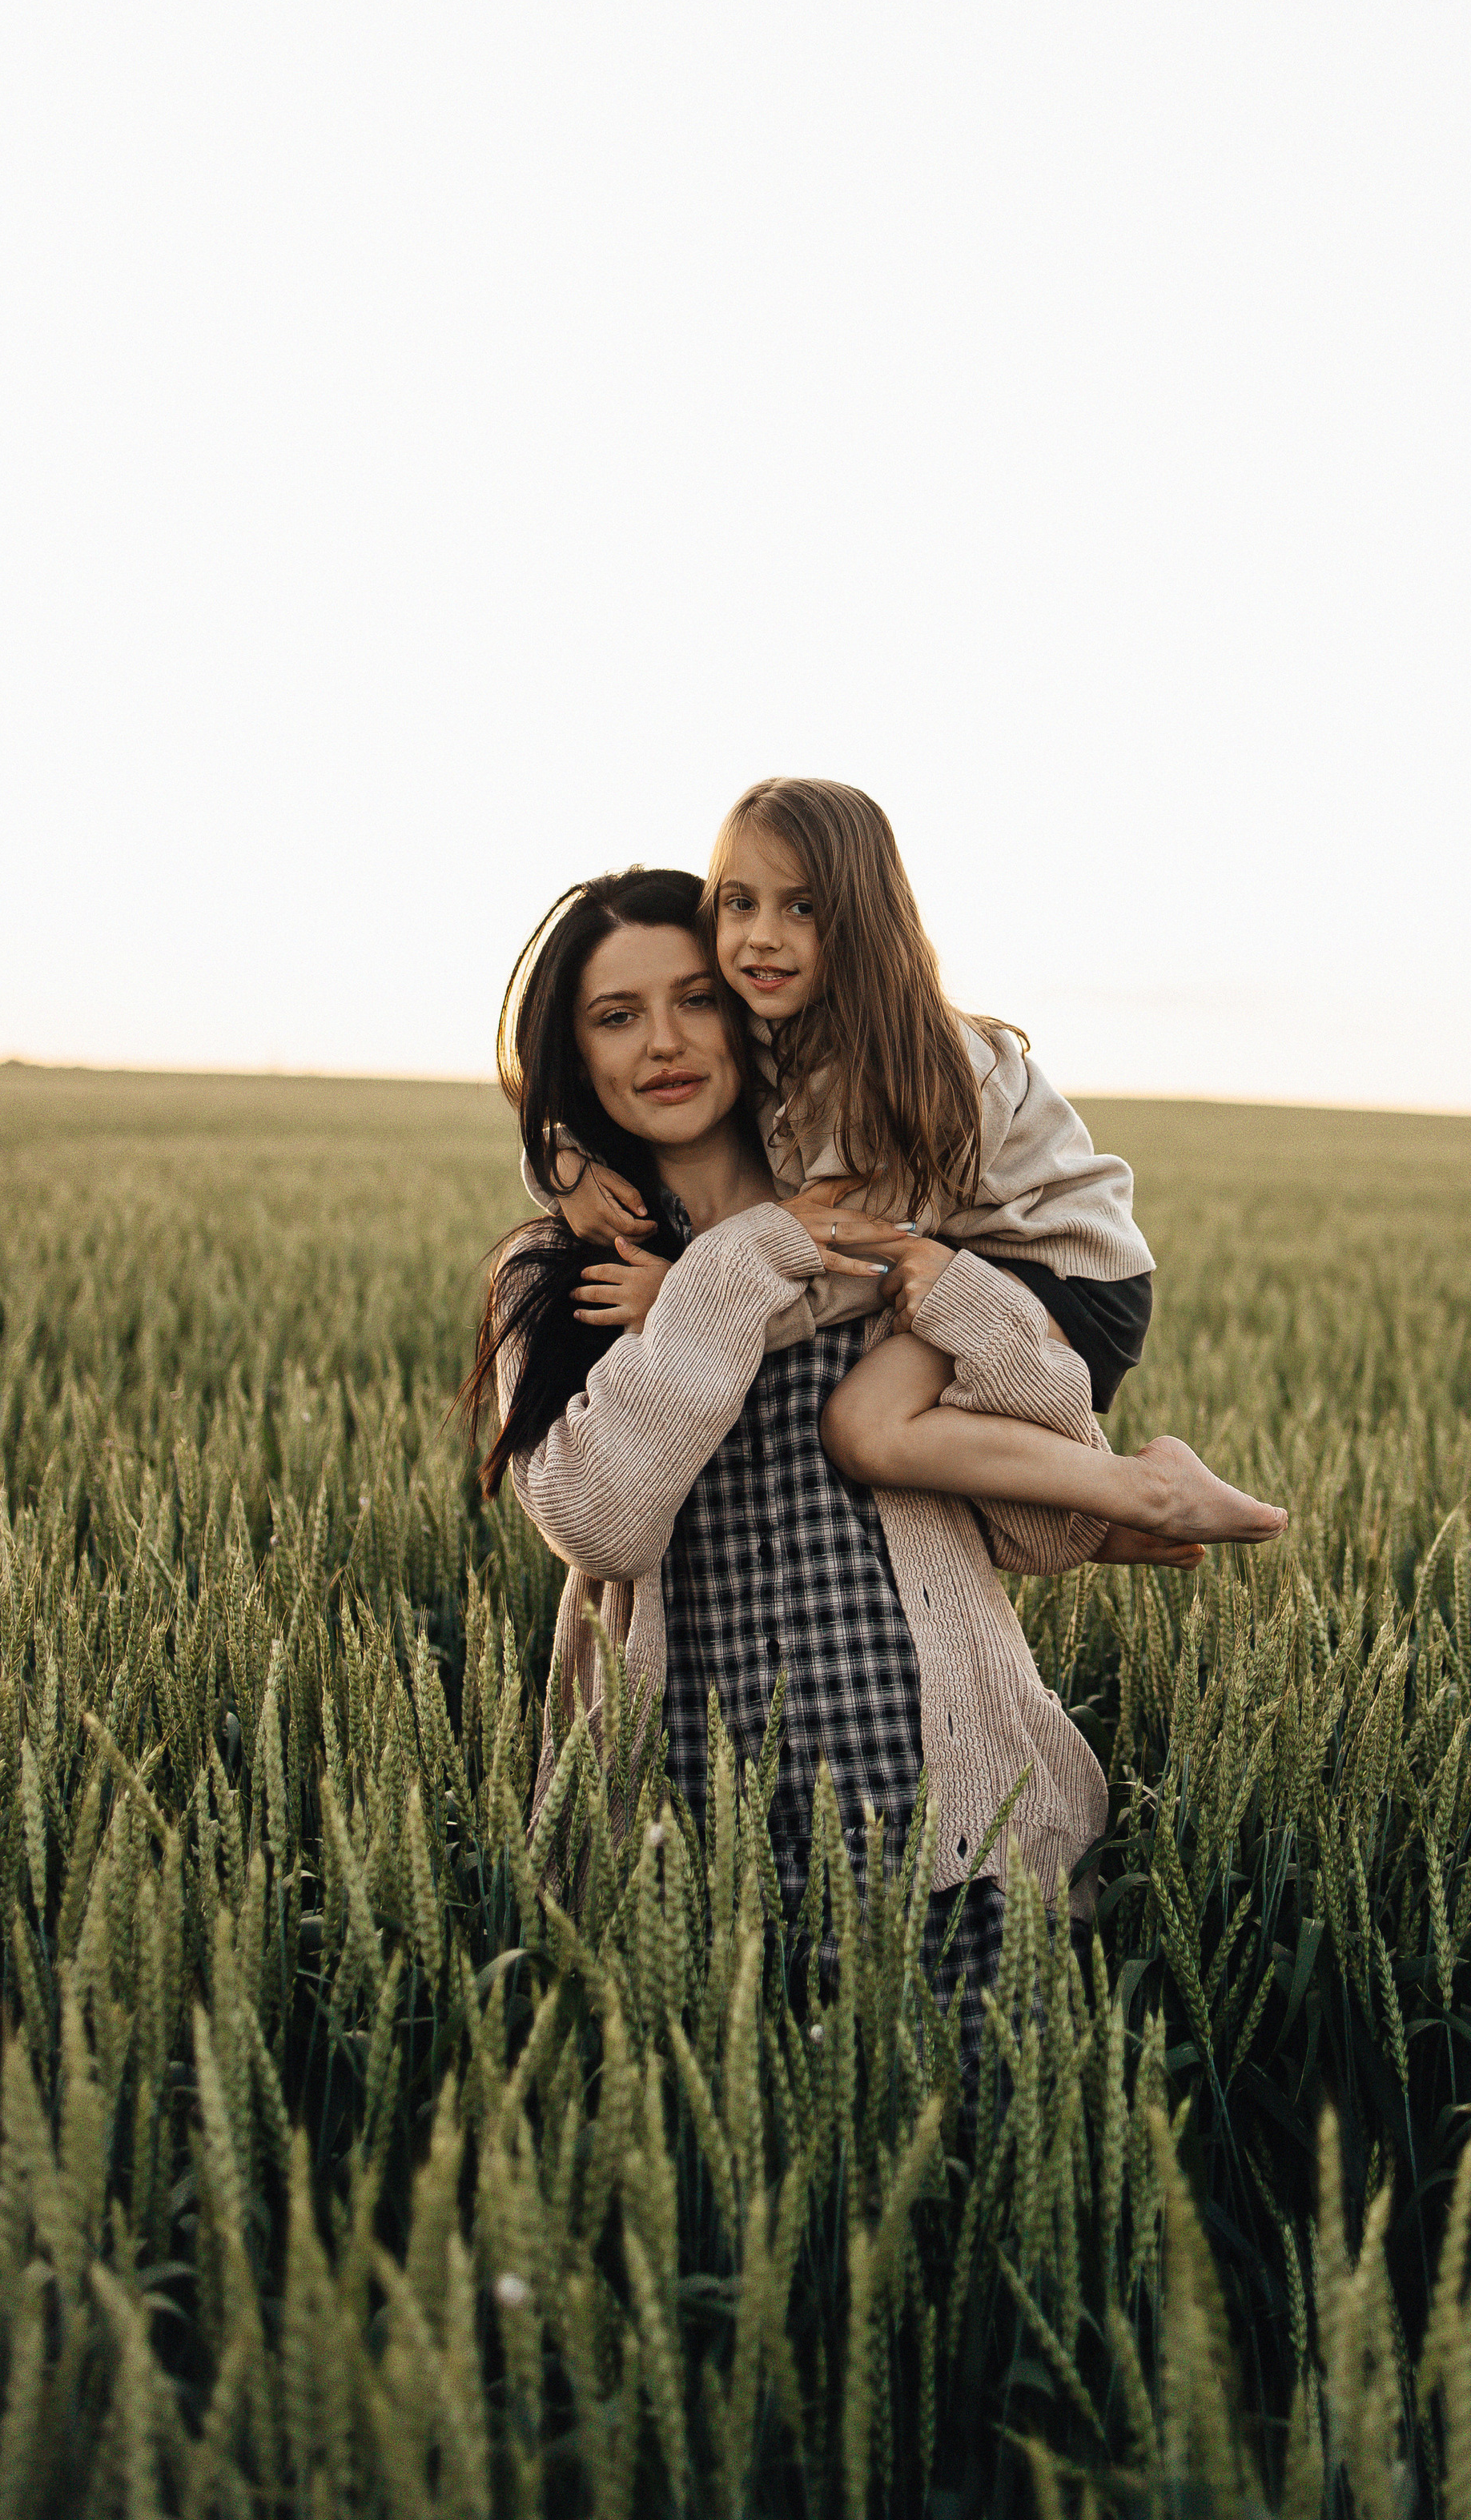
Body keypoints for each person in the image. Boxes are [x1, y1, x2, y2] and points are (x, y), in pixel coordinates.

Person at [463, 867, 1202, 2065]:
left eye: (697, 999)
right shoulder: (554, 1279)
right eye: (615, 1016)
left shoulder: (895, 1229)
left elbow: (1043, 1525)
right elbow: (601, 1520)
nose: (664, 1042)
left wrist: (949, 1285)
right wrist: (749, 1256)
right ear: (573, 1057)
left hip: (961, 1841)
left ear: (756, 1015)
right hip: (685, 1863)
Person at [545, 776, 1288, 1551]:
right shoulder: (785, 1024)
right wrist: (560, 1162)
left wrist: (690, 1302)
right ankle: (1099, 1519)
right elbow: (608, 1101)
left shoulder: (901, 1070)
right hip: (974, 1256)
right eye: (740, 903)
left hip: (1062, 1269)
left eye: (802, 907)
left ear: (862, 921)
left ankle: (1138, 1494)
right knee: (885, 1423)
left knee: (867, 1427)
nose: (762, 935)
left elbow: (853, 1254)